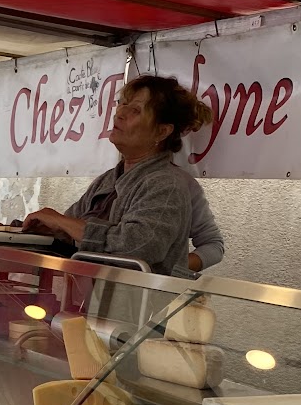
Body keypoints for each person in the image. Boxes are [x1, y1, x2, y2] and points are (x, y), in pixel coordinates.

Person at [21, 75, 224, 276]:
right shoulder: (107, 180)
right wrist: (38, 230)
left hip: (135, 298)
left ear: (161, 132)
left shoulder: (167, 185)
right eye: (122, 104)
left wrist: (61, 222)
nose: (120, 113)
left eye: (135, 110)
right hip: (90, 294)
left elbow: (137, 245)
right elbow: (71, 228)